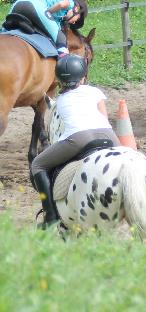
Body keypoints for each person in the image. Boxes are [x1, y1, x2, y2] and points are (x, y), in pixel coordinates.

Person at [30, 54, 119, 227]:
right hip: (109, 135)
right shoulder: (95, 92)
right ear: (83, 77)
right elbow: (104, 117)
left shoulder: (61, 100)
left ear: (59, 79)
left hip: (78, 138)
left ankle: (50, 216)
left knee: (37, 165)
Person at [3, 0, 87, 56]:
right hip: (34, 6)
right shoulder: (72, 3)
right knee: (61, 38)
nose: (74, 22)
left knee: (3, 31)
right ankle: (64, 64)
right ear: (77, 9)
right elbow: (62, 4)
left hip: (17, 4)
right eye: (77, 19)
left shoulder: (58, 17)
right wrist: (48, 12)